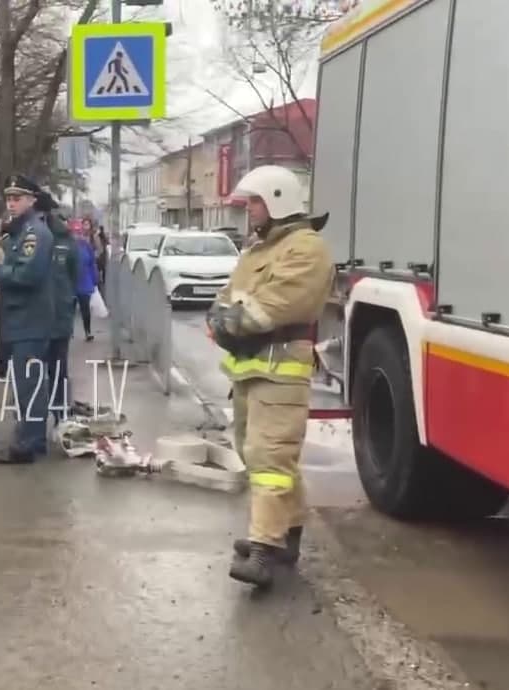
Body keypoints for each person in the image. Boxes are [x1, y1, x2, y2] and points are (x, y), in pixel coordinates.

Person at [206, 164, 335, 589]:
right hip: (249, 369)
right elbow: (227, 298)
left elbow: (278, 305)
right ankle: (285, 534)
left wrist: (228, 324)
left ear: (278, 200)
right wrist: (221, 316)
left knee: (269, 457)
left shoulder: (306, 248)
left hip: (281, 371)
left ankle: (263, 549)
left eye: (256, 202)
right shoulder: (257, 250)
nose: (250, 210)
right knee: (253, 450)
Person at [0, 174, 55, 464]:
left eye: (17, 198)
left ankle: (28, 444)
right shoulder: (21, 232)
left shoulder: (35, 234)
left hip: (30, 322)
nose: (11, 203)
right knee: (24, 385)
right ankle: (29, 438)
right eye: (8, 198)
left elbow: (28, 275)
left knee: (29, 385)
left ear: (32, 200)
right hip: (20, 321)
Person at [40, 193, 78, 424]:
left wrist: (63, 304)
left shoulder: (64, 240)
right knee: (29, 373)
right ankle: (31, 423)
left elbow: (73, 276)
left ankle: (61, 417)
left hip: (57, 319)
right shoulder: (20, 234)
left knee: (58, 371)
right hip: (29, 320)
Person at [74, 222, 98, 341]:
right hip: (71, 283)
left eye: (79, 233)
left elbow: (92, 263)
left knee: (85, 309)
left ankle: (87, 331)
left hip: (85, 282)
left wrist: (95, 280)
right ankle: (68, 332)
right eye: (75, 233)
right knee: (69, 310)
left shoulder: (86, 246)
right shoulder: (68, 246)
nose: (78, 235)